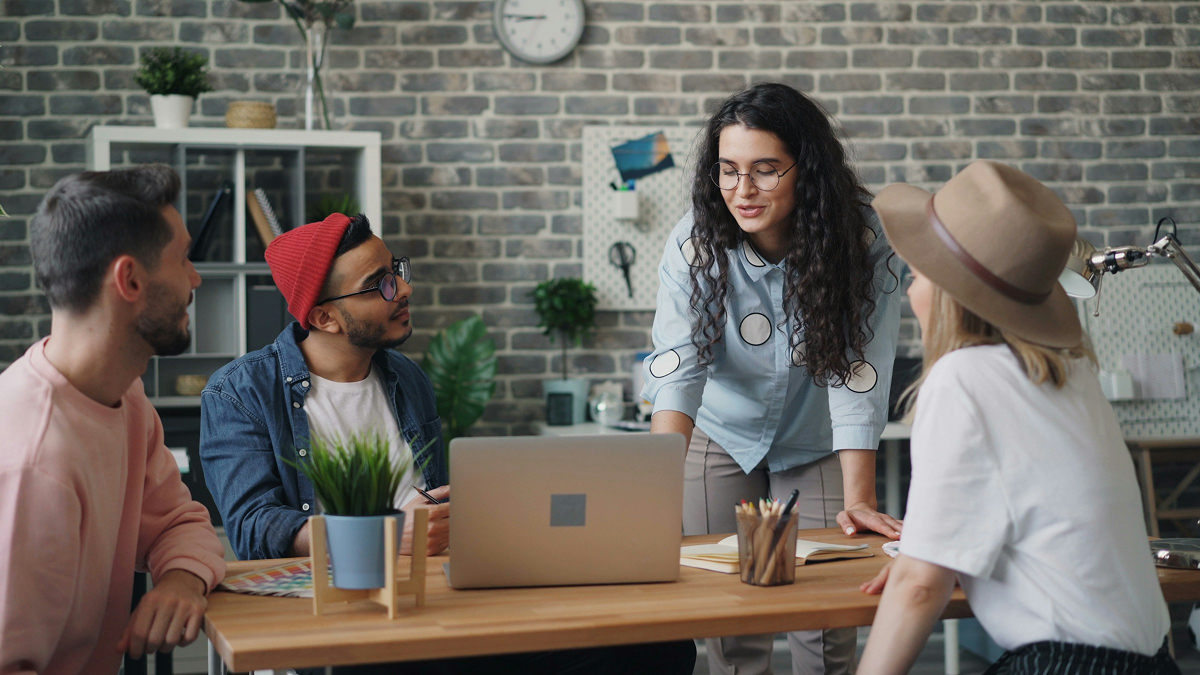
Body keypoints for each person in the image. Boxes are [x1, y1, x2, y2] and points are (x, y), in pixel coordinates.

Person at [201, 213, 696, 675]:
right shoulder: (241, 392)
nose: (405, 289)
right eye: (381, 285)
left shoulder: (405, 379)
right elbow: (251, 528)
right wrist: (386, 538)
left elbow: (434, 506)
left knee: (659, 647)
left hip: (433, 600)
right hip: (337, 613)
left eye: (396, 270)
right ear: (324, 318)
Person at [858, 160, 1178, 675]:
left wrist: (921, 569)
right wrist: (939, 554)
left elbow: (919, 586)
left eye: (916, 275)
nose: (908, 290)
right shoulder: (1071, 372)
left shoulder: (962, 378)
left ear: (948, 293)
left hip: (1067, 664)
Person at [642, 81, 902, 674]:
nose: (742, 190)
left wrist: (859, 499)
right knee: (733, 622)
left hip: (819, 438)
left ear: (806, 170)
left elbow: (859, 366)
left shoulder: (862, 238)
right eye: (727, 171)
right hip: (721, 433)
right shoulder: (695, 239)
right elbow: (680, 364)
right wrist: (652, 489)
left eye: (764, 170)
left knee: (827, 623)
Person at [0, 165, 227, 674]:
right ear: (129, 279)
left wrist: (181, 581)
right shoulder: (32, 461)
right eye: (184, 258)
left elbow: (179, 521)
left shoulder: (126, 398)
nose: (196, 278)